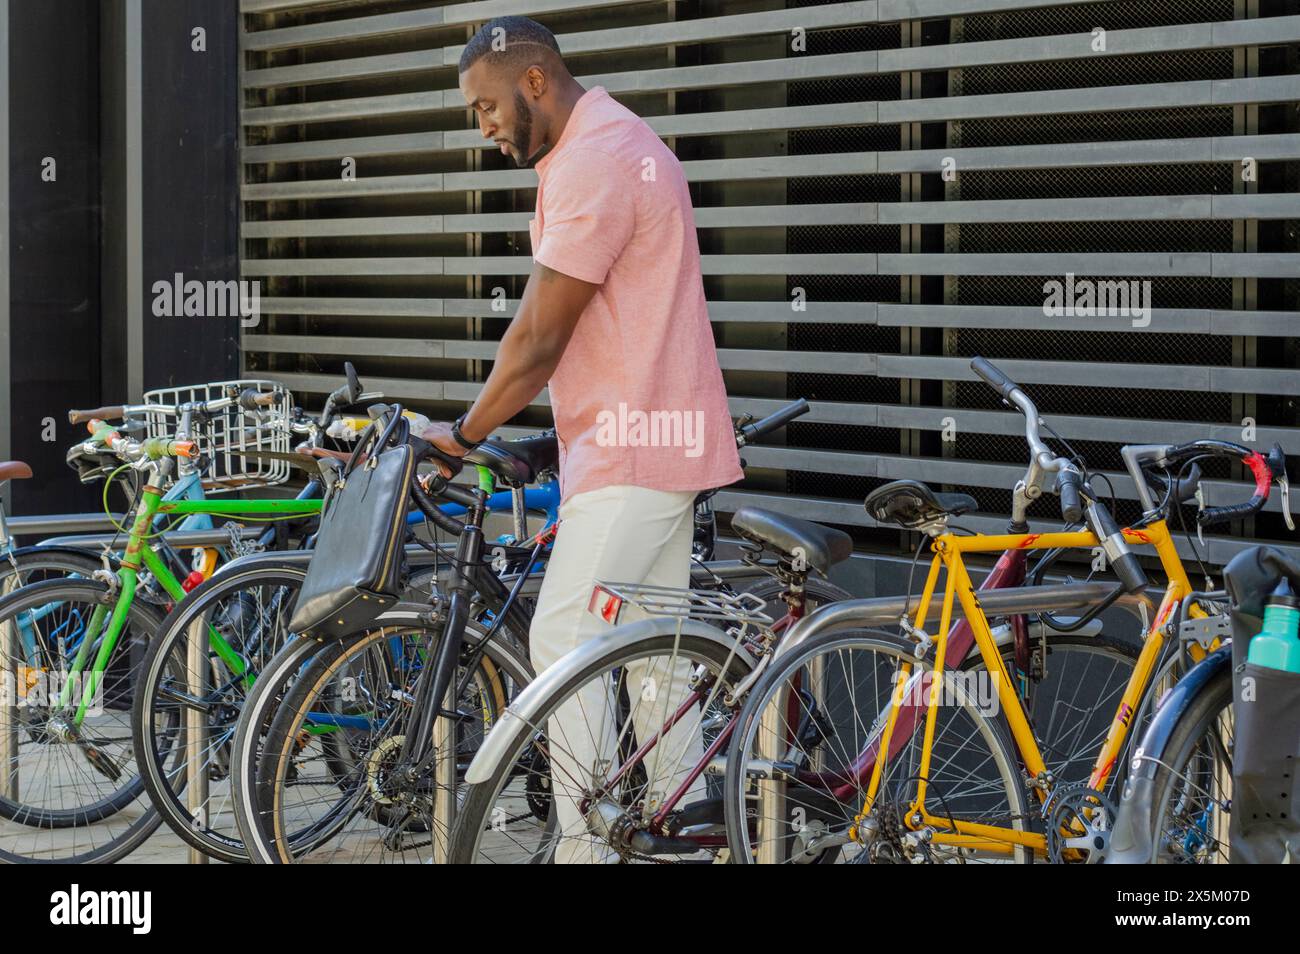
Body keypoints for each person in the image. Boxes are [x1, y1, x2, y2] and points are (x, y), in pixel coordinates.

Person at [416, 15, 743, 862]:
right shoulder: (606, 144)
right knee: (654, 661)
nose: (481, 128)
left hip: (635, 448)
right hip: (648, 442)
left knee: (564, 639)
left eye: (485, 107)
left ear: (533, 82)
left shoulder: (598, 159)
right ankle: (689, 840)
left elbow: (537, 339)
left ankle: (585, 850)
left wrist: (460, 434)